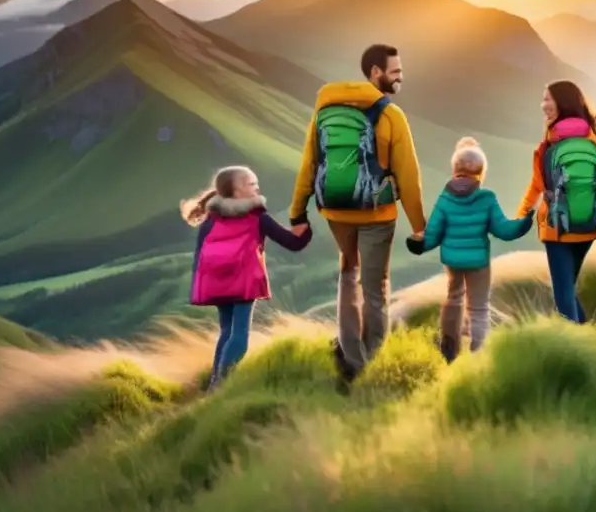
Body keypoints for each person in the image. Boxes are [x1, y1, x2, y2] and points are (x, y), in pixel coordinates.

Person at [288, 44, 426, 381]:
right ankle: (372, 362)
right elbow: (408, 176)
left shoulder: (324, 112)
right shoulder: (391, 115)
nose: (400, 77)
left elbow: (309, 163)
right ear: (375, 73)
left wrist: (298, 215)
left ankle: (351, 356)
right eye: (395, 72)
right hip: (377, 214)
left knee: (348, 274)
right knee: (375, 288)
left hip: (336, 211)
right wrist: (419, 227)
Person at [182, 165, 313, 389]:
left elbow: (200, 256)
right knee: (240, 336)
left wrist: (201, 286)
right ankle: (222, 384)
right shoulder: (258, 217)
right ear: (237, 191)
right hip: (243, 282)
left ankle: (215, 381)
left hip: (216, 283)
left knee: (226, 331)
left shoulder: (211, 220)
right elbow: (292, 243)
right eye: (251, 184)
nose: (257, 188)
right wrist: (305, 230)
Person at [406, 137, 534, 361]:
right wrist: (524, 223)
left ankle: (449, 347)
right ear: (481, 172)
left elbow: (433, 233)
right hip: (478, 262)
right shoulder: (486, 198)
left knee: (454, 298)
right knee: (479, 308)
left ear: (455, 169)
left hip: (453, 262)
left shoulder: (445, 198)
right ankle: (477, 353)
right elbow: (503, 230)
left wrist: (419, 244)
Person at [516, 80, 596, 323]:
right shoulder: (591, 137)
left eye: (548, 98)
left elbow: (539, 183)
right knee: (568, 289)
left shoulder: (551, 142)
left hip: (557, 225)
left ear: (562, 103)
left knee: (563, 294)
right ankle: (590, 338)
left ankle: (576, 349)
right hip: (588, 223)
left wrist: (524, 212)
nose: (543, 104)